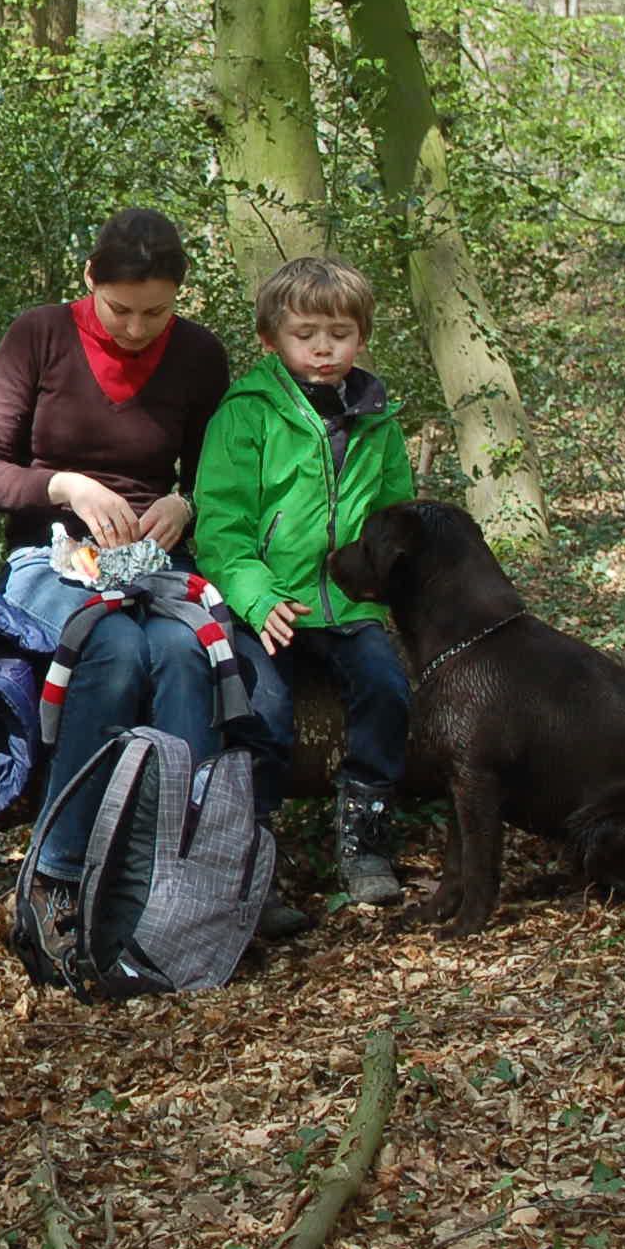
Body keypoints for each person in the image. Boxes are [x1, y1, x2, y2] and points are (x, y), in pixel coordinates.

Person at [0, 208, 241, 926]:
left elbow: (223, 474)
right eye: (121, 309)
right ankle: (60, 865)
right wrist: (64, 486)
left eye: (157, 312)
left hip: (153, 557)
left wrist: (187, 503)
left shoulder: (200, 355)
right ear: (89, 280)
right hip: (47, 554)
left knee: (186, 654)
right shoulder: (40, 335)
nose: (138, 328)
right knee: (107, 648)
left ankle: (173, 863)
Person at [193, 255, 417, 906]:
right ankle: (254, 862)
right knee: (260, 713)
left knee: (387, 688)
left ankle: (366, 839)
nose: (324, 348)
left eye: (339, 334)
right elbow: (223, 528)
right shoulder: (247, 413)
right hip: (267, 603)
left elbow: (393, 516)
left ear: (361, 337)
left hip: (350, 603)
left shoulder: (377, 417)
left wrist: (389, 592)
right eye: (306, 334)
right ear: (271, 339)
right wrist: (258, 598)